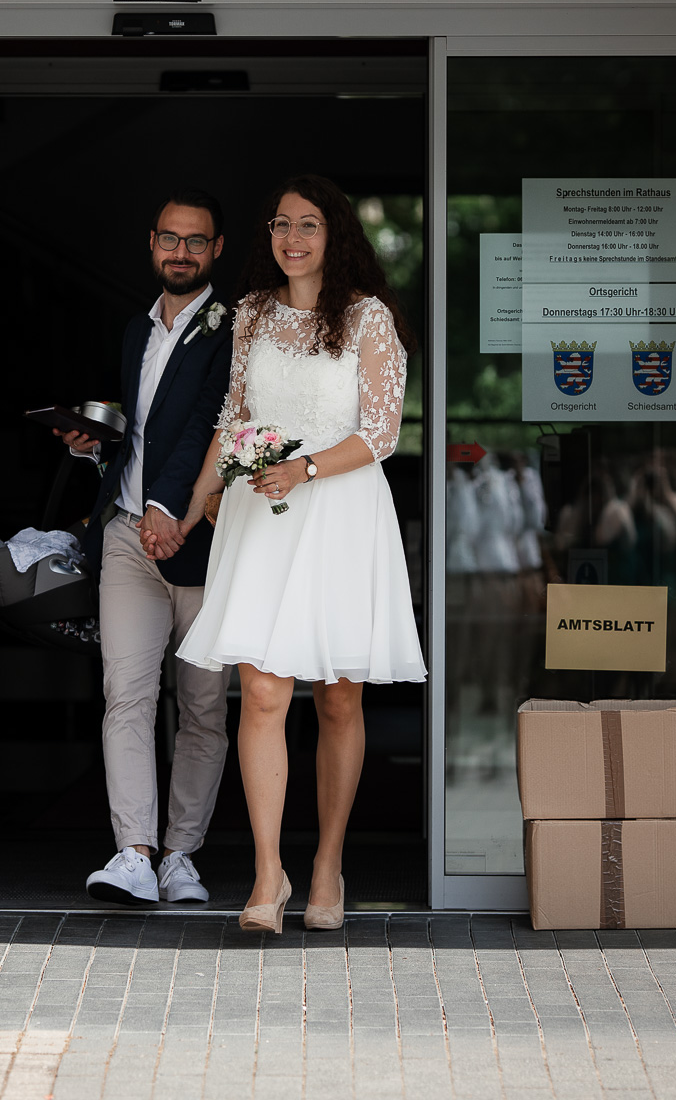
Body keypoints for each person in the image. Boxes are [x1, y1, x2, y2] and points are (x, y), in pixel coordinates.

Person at [170, 174, 428, 935]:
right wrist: (187, 510)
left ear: (335, 235)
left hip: (340, 514)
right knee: (262, 693)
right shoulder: (248, 315)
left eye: (308, 226)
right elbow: (233, 419)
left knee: (340, 697)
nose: (292, 239)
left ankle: (327, 867)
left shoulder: (368, 319)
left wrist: (306, 467)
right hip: (262, 517)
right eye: (281, 224)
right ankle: (268, 873)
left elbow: (381, 433)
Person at [56, 190, 237, 906]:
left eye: (197, 241)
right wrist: (93, 447)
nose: (182, 252)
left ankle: (181, 856)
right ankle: (133, 851)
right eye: (171, 238)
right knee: (125, 697)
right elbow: (145, 434)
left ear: (217, 249)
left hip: (201, 543)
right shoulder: (137, 329)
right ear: (152, 243)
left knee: (203, 708)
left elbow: (205, 424)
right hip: (129, 537)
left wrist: (170, 509)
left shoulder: (232, 330)